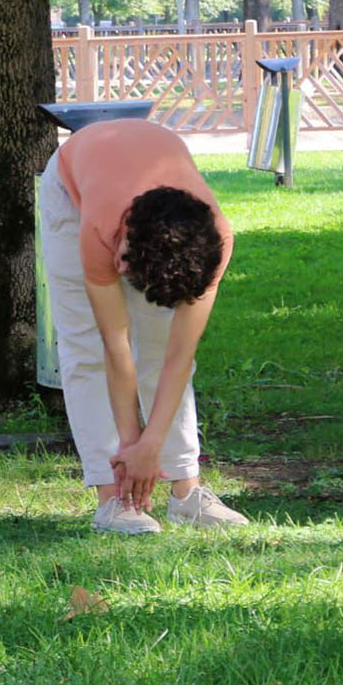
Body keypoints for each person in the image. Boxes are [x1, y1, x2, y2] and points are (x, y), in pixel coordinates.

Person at [39, 118, 248, 533]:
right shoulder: (100, 228)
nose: (117, 270)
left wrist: (151, 445)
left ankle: (187, 493)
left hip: (145, 199)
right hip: (69, 183)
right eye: (123, 258)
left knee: (160, 340)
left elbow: (177, 357)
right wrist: (133, 448)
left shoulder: (214, 243)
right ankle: (114, 499)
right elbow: (114, 346)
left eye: (126, 269)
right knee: (86, 350)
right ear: (127, 233)